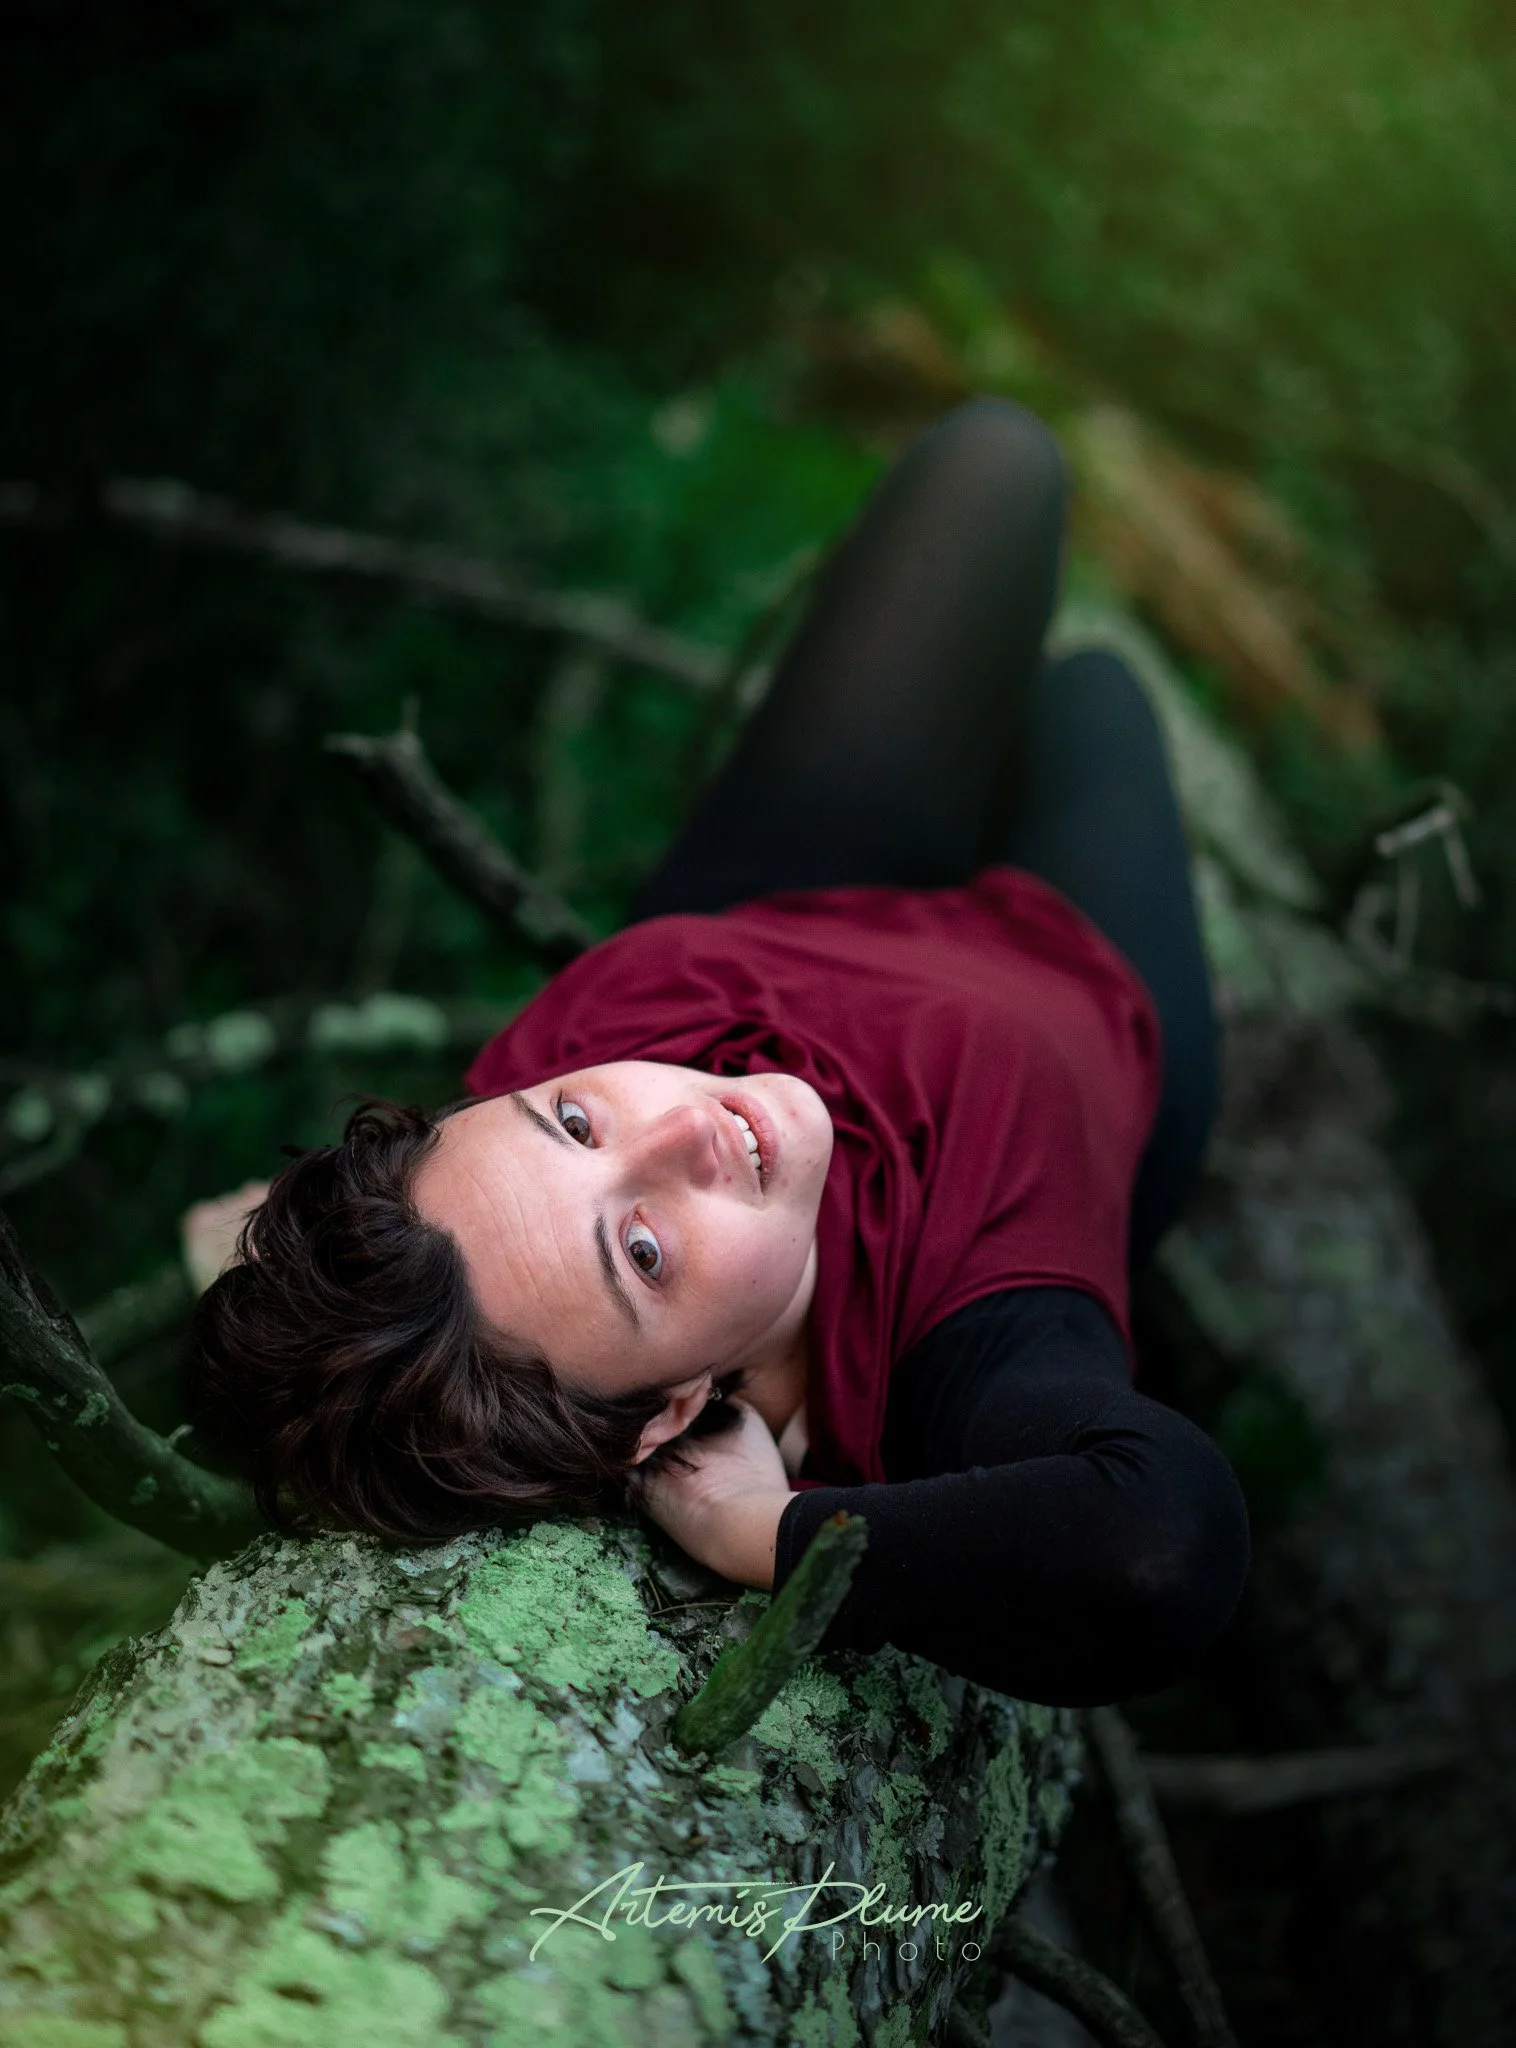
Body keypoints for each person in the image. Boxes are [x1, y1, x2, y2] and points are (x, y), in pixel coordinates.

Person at [185, 398, 1250, 1708]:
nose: (687, 1129)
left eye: (569, 1122)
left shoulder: (627, 1068)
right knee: (1093, 700)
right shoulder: (974, 1359)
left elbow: (470, 1259)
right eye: (640, 1250)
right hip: (1080, 983)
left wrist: (272, 1262)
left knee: (998, 462)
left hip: (781, 917)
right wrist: (767, 1529)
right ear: (675, 1413)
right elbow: (1158, 1553)